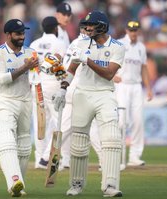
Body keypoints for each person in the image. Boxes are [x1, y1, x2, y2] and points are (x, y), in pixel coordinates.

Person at [52, 11, 125, 197]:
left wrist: (87, 60)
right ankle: (76, 184)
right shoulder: (80, 43)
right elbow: (71, 70)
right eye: (85, 25)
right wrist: (62, 88)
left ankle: (110, 186)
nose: (86, 28)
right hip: (83, 94)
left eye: (90, 25)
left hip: (105, 95)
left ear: (102, 26)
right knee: (78, 142)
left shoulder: (117, 47)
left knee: (111, 139)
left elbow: (109, 74)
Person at [0, 19, 39, 197]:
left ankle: (19, 186)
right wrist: (24, 67)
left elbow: (37, 75)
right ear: (8, 34)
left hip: (25, 101)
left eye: (23, 33)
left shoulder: (31, 52)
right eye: (18, 33)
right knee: (6, 140)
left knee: (25, 145)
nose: (22, 36)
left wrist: (52, 64)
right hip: (5, 100)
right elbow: (1, 79)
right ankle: (14, 181)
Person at [61, 18, 103, 170]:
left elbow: (66, 67)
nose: (91, 30)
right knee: (91, 126)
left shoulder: (74, 43)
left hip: (73, 87)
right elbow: (70, 67)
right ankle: (103, 159)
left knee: (65, 126)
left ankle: (50, 157)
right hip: (79, 88)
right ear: (83, 30)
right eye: (89, 28)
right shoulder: (84, 44)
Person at [29, 16, 66, 169]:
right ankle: (48, 157)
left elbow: (32, 67)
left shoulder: (34, 44)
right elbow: (62, 66)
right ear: (55, 28)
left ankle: (39, 160)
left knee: (40, 123)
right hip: (53, 85)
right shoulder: (59, 43)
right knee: (60, 122)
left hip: (37, 85)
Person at [115, 21, 153, 167]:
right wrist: (112, 77)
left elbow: (144, 68)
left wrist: (148, 88)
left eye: (135, 30)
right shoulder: (119, 44)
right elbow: (109, 61)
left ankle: (134, 156)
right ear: (126, 30)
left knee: (138, 121)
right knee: (122, 122)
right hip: (122, 85)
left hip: (137, 86)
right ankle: (118, 155)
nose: (133, 33)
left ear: (138, 31)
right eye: (131, 30)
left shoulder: (141, 47)